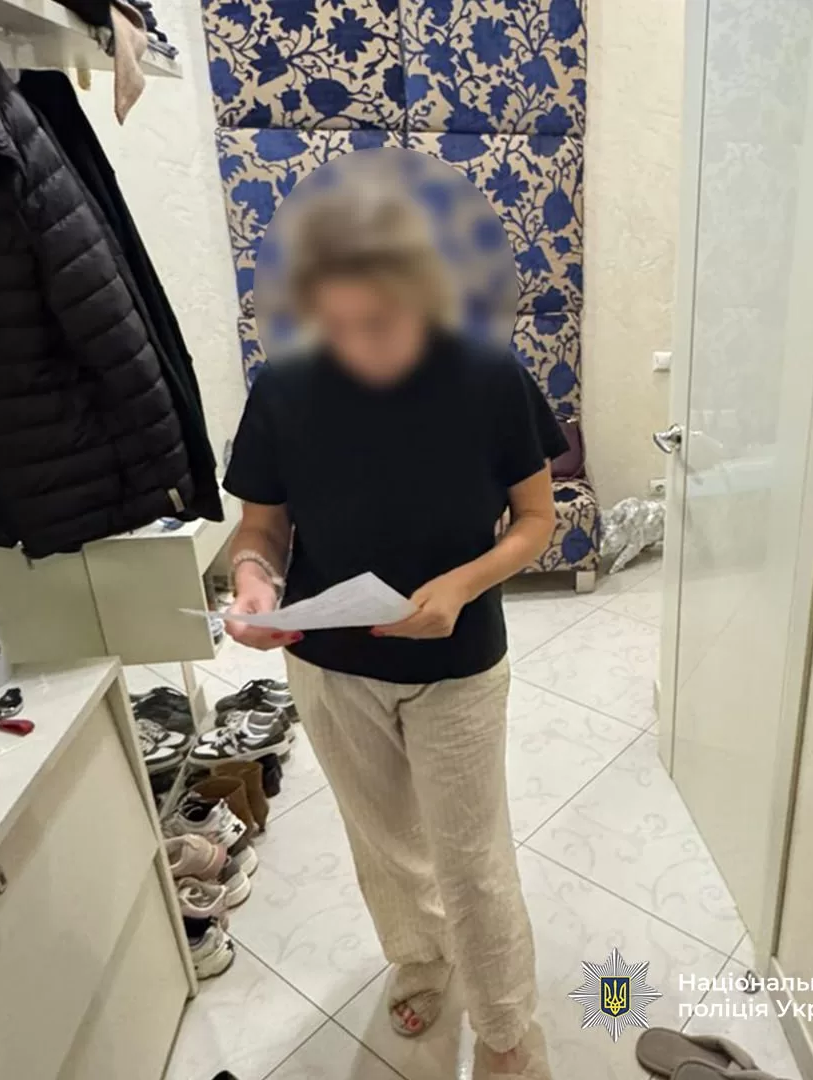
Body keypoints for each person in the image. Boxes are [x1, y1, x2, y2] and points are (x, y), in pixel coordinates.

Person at [222, 186, 564, 1079]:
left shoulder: (487, 376)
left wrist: (462, 584)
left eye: (378, 322)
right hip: (330, 663)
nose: (357, 347)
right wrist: (254, 582)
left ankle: (505, 1029)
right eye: (334, 325)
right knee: (382, 840)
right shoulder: (286, 386)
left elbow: (537, 520)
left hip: (458, 660)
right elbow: (262, 528)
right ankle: (419, 958)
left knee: (472, 858)